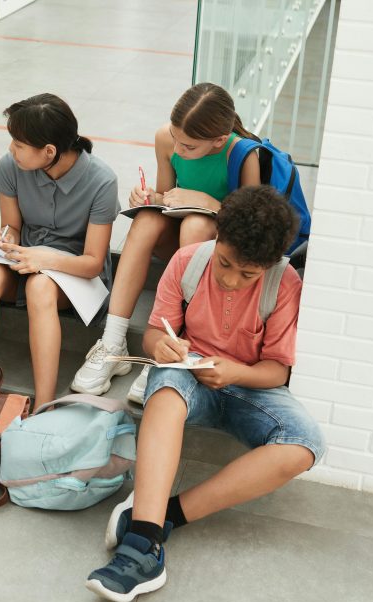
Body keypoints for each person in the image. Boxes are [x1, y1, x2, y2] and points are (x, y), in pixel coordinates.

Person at [85, 185, 325, 602]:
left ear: (268, 266)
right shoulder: (186, 262)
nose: (232, 279)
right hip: (187, 376)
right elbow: (157, 333)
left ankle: (164, 516)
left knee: (305, 445)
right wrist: (160, 345)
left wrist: (238, 372)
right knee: (163, 395)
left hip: (248, 387)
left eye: (247, 274)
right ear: (217, 238)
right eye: (226, 262)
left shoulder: (284, 285)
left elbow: (277, 371)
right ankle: (142, 546)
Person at [71, 83, 261, 402]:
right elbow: (166, 199)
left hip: (214, 245)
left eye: (188, 146)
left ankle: (168, 347)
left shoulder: (241, 153)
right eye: (176, 138)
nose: (178, 149)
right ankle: (112, 341)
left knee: (196, 225)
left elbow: (251, 220)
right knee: (147, 219)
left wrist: (207, 201)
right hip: (180, 238)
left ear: (217, 139)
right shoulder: (166, 138)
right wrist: (148, 197)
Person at [0, 93, 119, 409]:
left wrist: (45, 259)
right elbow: (13, 227)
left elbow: (91, 263)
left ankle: (43, 403)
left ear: (49, 152)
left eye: (18, 144)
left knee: (40, 286)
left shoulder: (102, 181)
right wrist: (6, 238)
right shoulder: (11, 166)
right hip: (26, 258)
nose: (11, 149)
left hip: (74, 273)